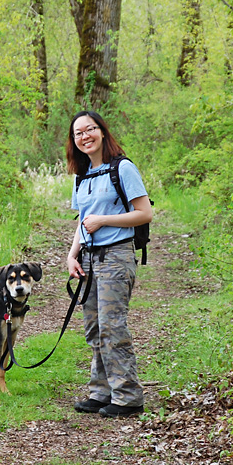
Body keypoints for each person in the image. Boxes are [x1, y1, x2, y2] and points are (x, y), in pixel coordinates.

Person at [65, 110, 153, 418]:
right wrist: (72, 254)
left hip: (116, 256)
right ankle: (101, 392)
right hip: (89, 259)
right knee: (94, 327)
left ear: (102, 132)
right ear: (74, 141)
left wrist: (104, 220)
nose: (85, 136)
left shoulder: (123, 168)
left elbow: (144, 213)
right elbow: (82, 220)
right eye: (78, 133)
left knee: (113, 327)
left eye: (90, 129)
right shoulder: (83, 175)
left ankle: (127, 396)